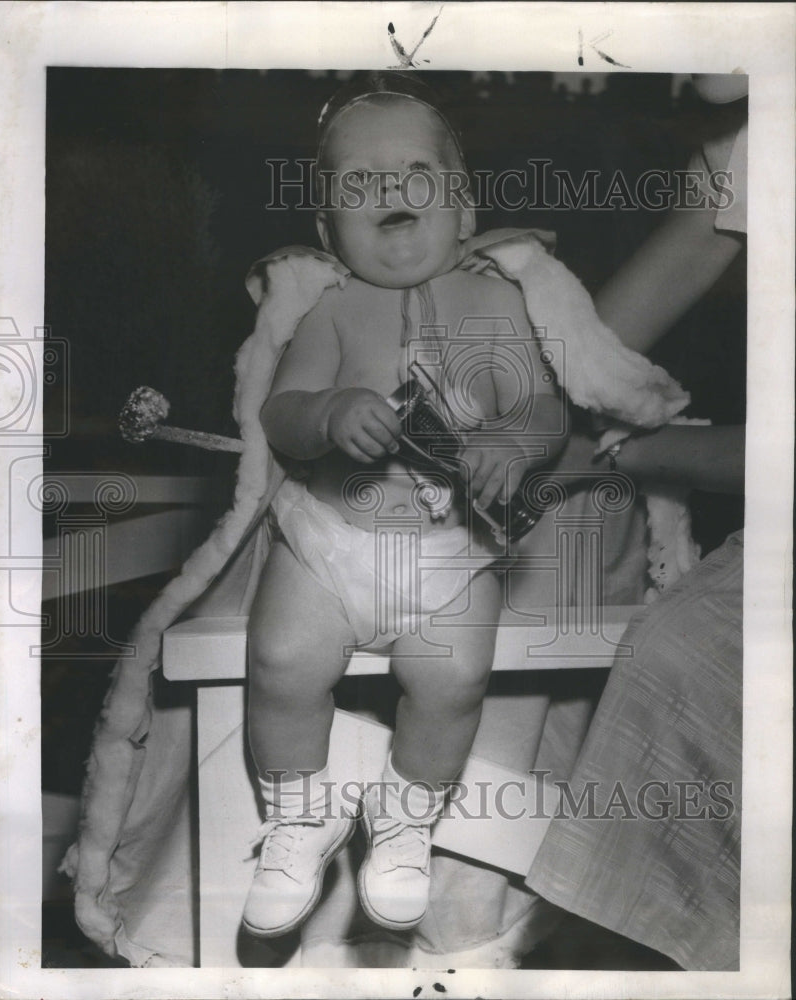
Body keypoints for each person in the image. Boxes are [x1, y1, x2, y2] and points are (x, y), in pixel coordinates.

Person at [240, 74, 568, 938]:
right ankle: (297, 813)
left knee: (453, 677)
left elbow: (544, 411)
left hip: (450, 547)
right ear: (327, 230)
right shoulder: (333, 312)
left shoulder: (497, 304)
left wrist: (515, 442)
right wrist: (327, 412)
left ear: (463, 211)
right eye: (358, 184)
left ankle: (407, 818)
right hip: (334, 539)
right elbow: (281, 411)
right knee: (278, 658)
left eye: (417, 174)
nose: (388, 191)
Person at [525, 74, 747, 971]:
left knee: (699, 649)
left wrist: (620, 456)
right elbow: (586, 356)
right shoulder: (752, 141)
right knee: (674, 639)